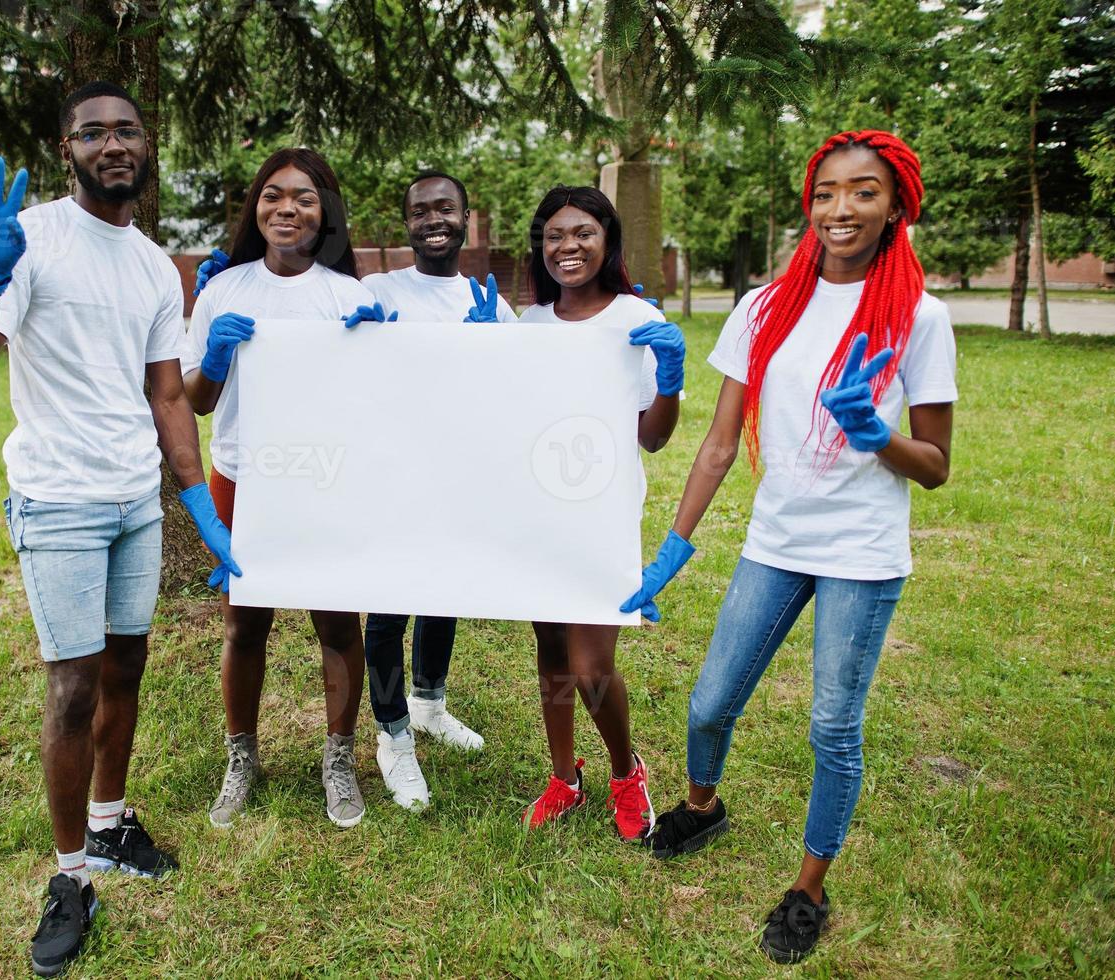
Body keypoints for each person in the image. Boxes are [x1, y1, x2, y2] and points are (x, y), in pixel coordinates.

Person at [627, 130, 956, 964]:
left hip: (862, 554)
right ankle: (703, 807)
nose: (840, 209)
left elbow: (936, 468)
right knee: (708, 703)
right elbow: (716, 444)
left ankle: (807, 889)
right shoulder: (765, 305)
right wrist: (672, 547)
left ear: (894, 206)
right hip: (775, 542)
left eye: (863, 192)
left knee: (831, 730)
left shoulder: (920, 317)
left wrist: (872, 433)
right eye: (825, 193)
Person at [0, 81, 240, 978]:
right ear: (66, 147)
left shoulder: (156, 265)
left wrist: (199, 510)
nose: (114, 144)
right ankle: (70, 876)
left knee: (127, 666)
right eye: (93, 133)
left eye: (128, 131)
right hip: (59, 498)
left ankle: (110, 826)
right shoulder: (30, 235)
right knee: (73, 689)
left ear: (147, 146)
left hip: (133, 502)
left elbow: (164, 396)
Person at [182, 147, 391, 831]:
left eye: (302, 197)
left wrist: (378, 350)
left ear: (324, 211)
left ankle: (338, 757)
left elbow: (380, 408)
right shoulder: (222, 290)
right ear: (255, 207)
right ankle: (241, 756)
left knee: (336, 624)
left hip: (325, 480)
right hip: (242, 477)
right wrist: (213, 355)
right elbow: (195, 400)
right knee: (246, 624)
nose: (286, 208)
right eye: (272, 195)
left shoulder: (350, 295)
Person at [516, 186, 686, 844]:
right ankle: (563, 776)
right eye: (554, 235)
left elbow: (654, 436)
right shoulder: (528, 328)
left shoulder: (632, 319)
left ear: (607, 240)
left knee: (591, 668)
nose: (567, 247)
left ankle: (625, 770)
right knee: (551, 653)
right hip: (538, 510)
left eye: (581, 233)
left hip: (600, 515)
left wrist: (667, 375)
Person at [347, 170, 517, 810]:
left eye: (446, 208)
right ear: (407, 223)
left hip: (461, 477)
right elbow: (350, 376)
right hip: (394, 477)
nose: (434, 219)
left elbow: (510, 395)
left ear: (466, 218)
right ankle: (393, 740)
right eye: (421, 211)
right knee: (389, 612)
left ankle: (429, 706)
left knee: (444, 591)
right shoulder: (379, 288)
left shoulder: (489, 300)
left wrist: (491, 349)